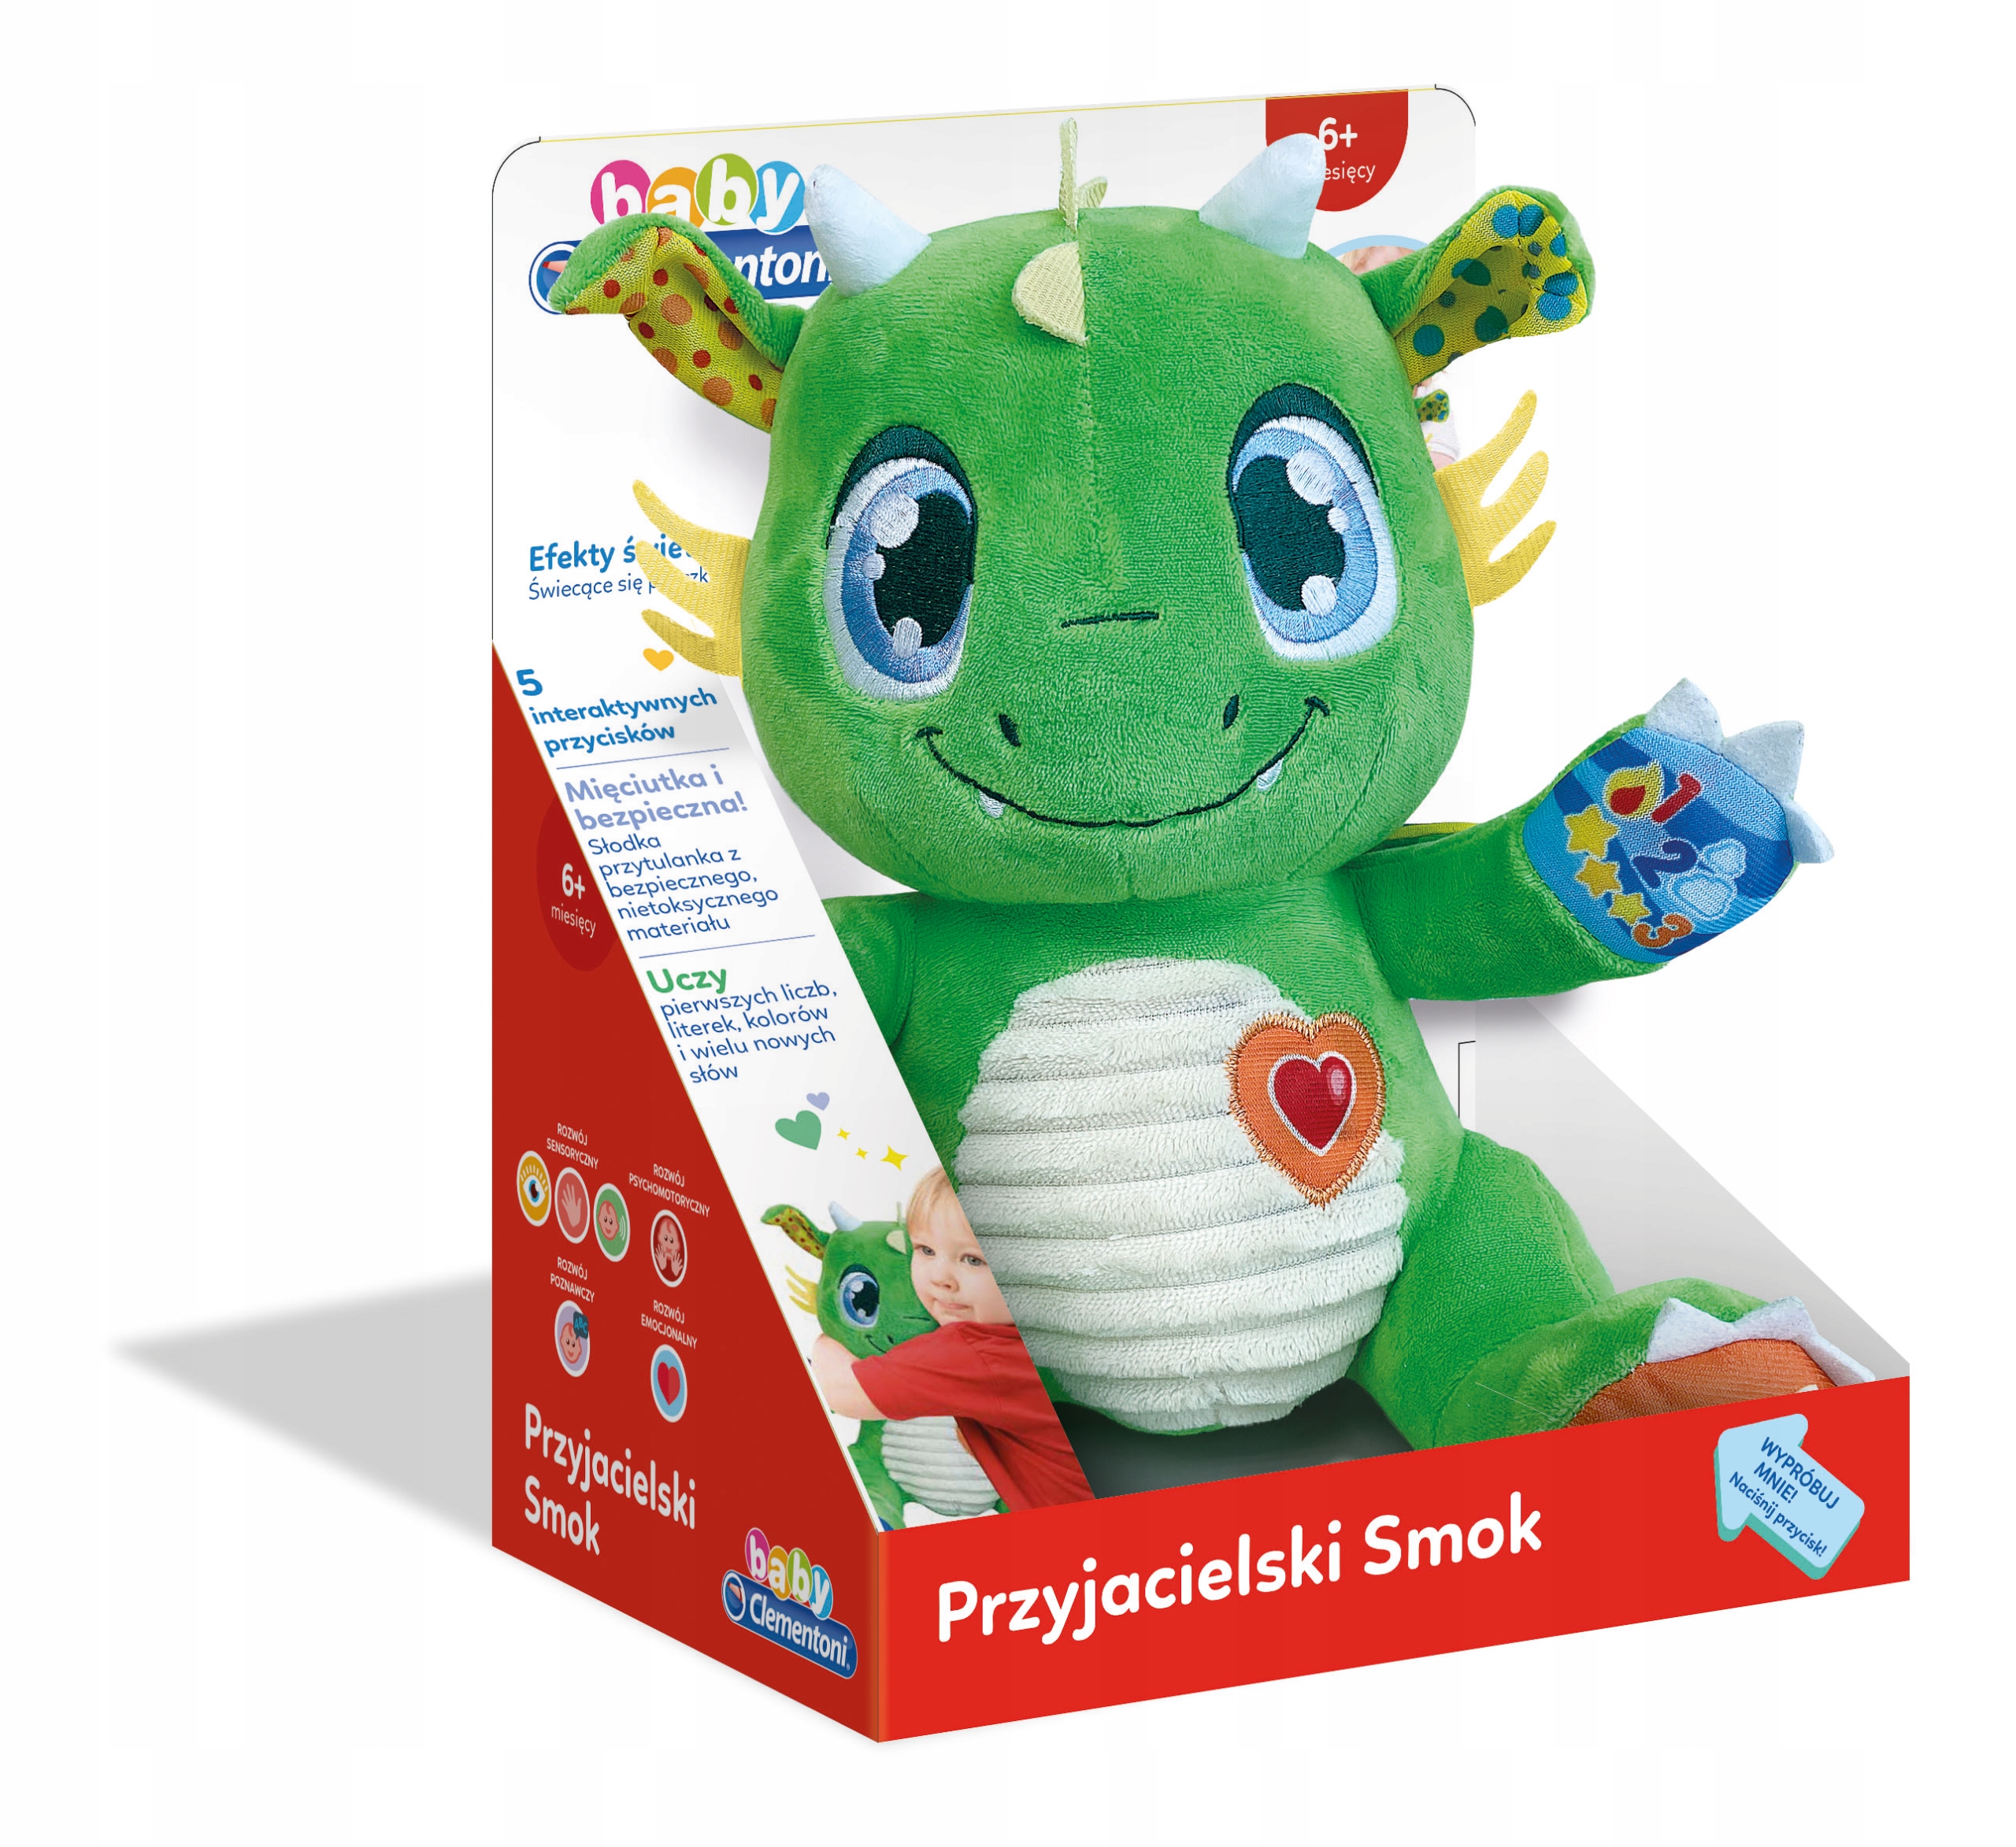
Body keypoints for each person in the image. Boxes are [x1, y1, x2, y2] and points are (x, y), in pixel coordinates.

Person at [810, 1168, 1094, 1510]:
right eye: (926, 1250)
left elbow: (842, 1392)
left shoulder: (977, 1350)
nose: (941, 1278)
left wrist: (826, 1336)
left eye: (973, 1259)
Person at [652, 1212, 686, 1284]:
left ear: (677, 1245)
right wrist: (662, 1267)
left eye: (671, 1241)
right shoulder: (660, 1259)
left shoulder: (678, 1265)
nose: (668, 1246)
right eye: (665, 1238)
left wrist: (676, 1273)